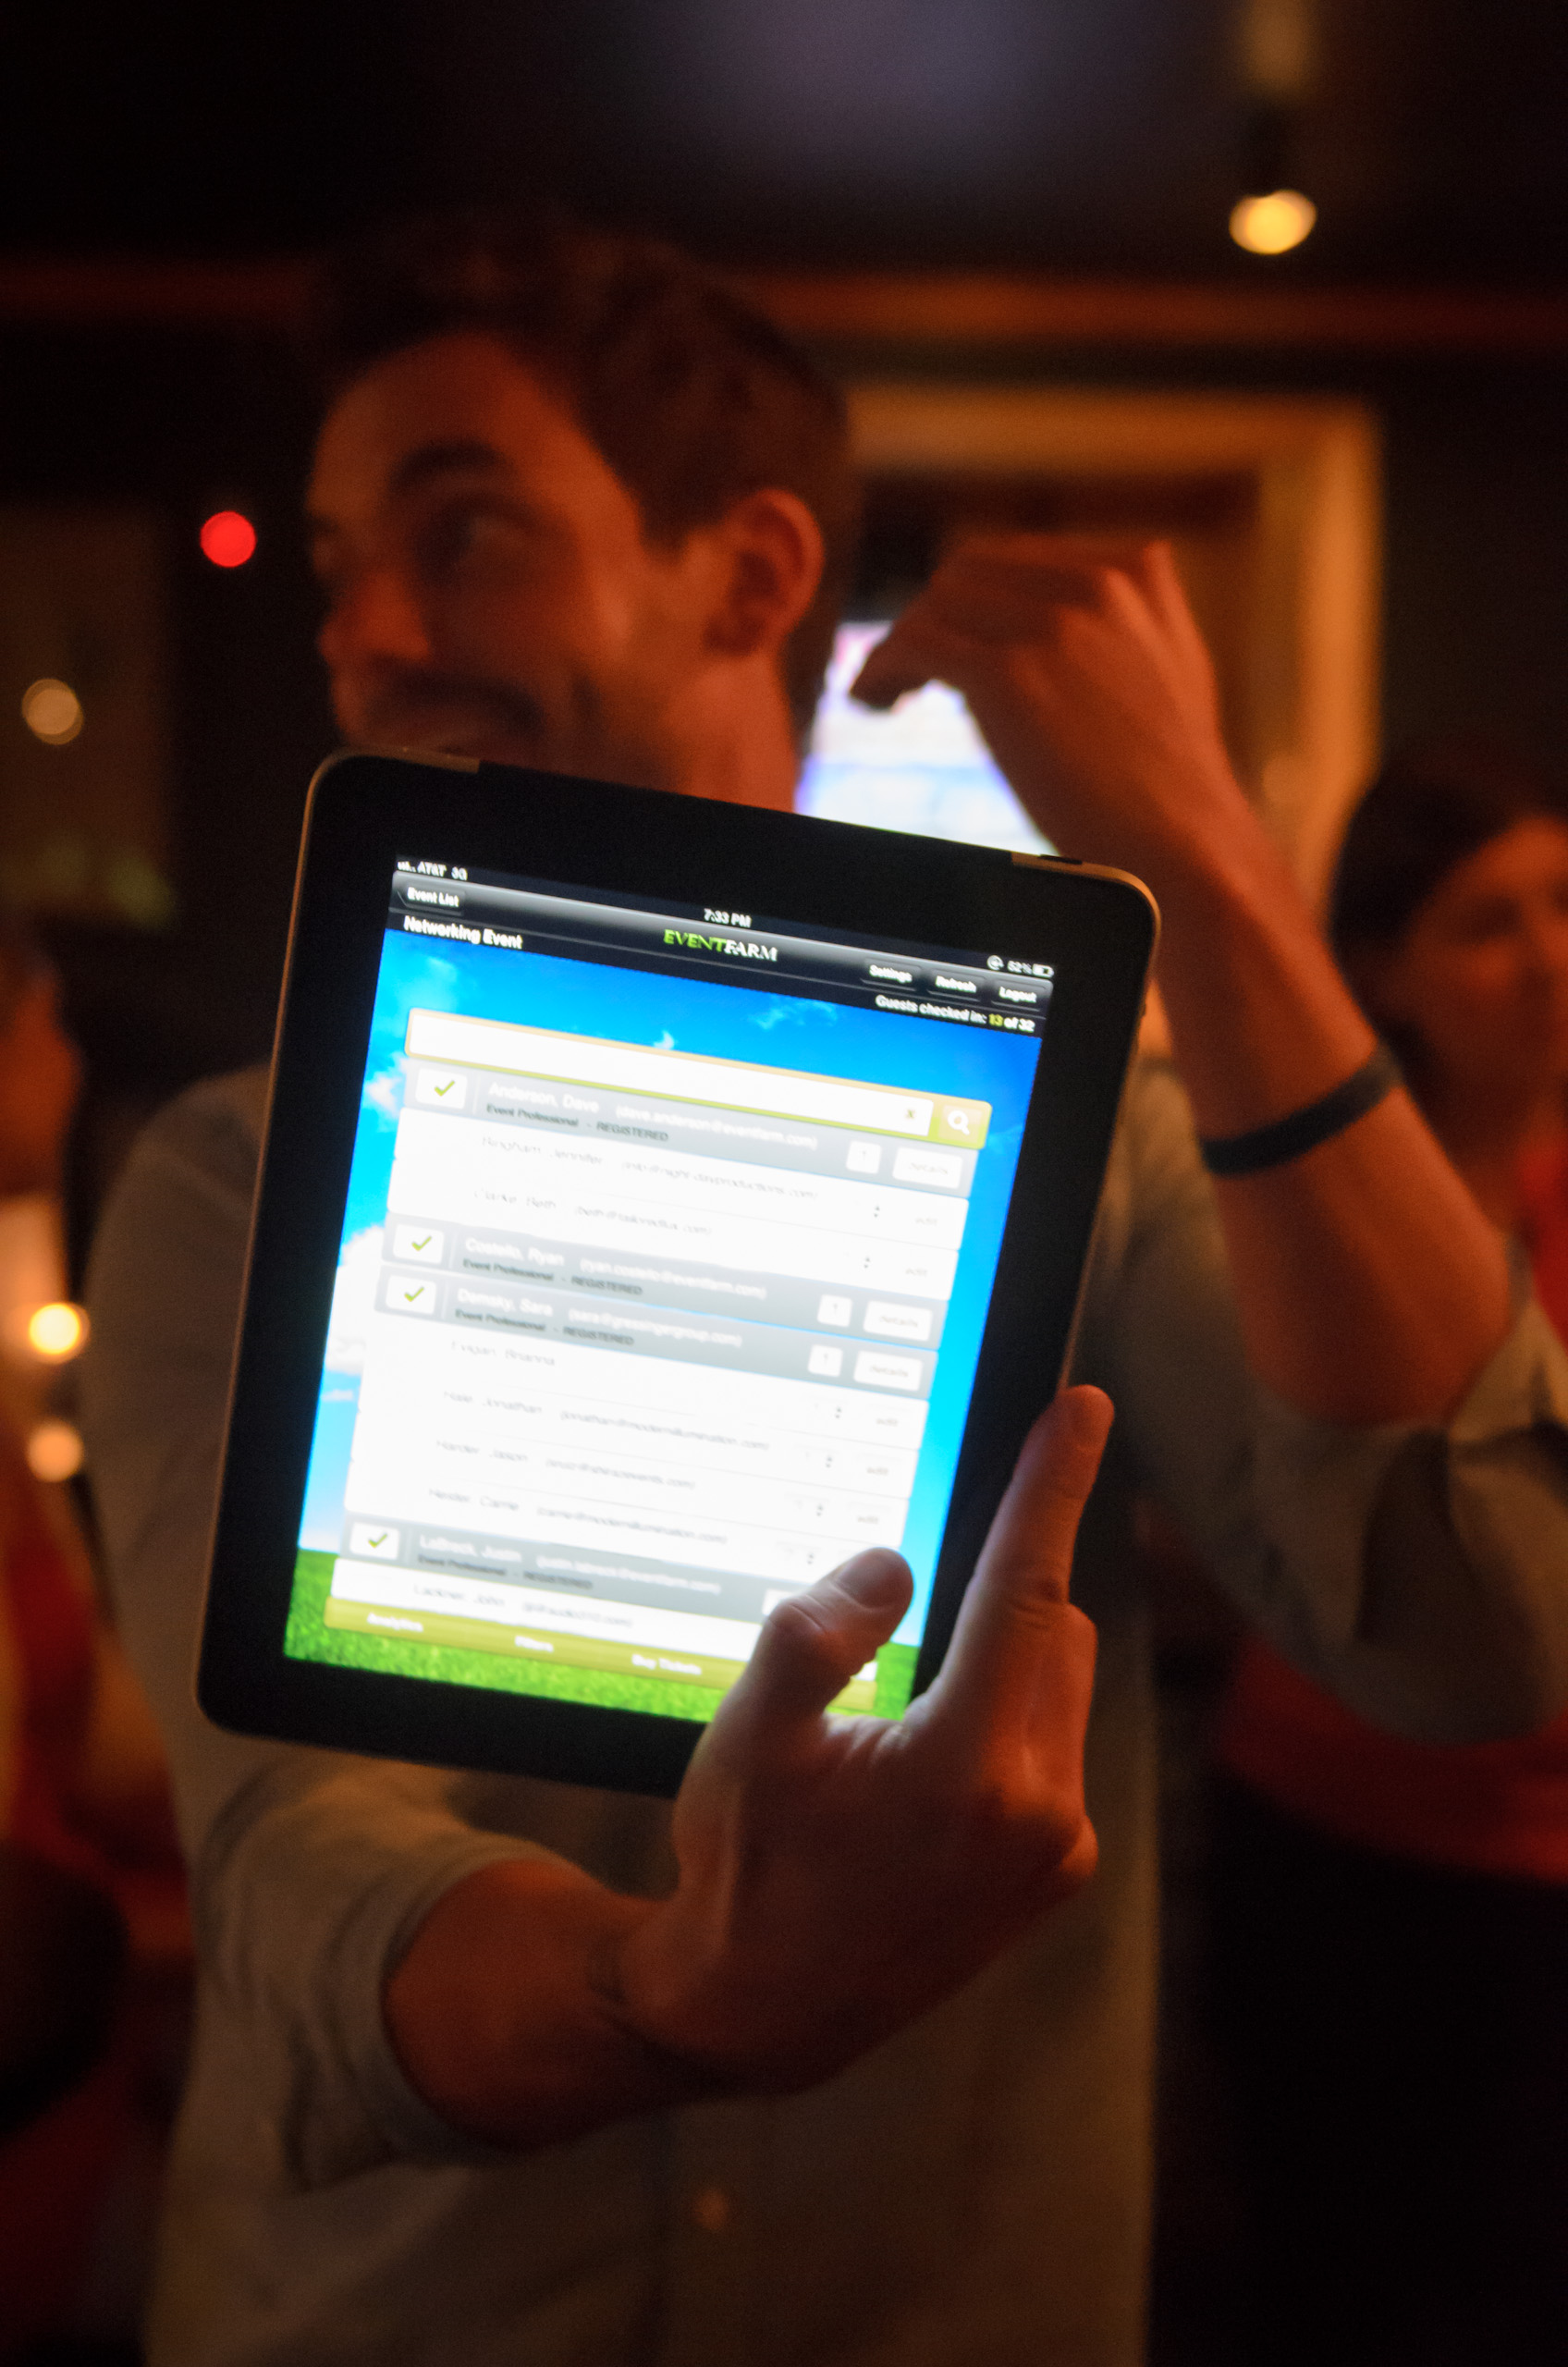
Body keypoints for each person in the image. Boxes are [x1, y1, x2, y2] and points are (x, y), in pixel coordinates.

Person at [81, 218, 1568, 2367]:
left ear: (752, 568)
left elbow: (1481, 1620)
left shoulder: (1098, 1132)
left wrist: (1204, 854)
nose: (363, 635)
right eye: (335, 566)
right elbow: (289, 1842)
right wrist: (664, 1992)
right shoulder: (227, 1175)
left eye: (460, 531)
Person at [1211, 741, 1568, 2366]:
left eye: (1563, 903)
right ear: (1378, 970)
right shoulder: (1327, 1202)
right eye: (1491, 923)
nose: (1550, 958)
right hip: (1333, 1838)